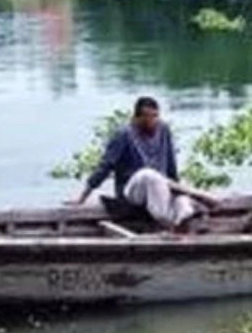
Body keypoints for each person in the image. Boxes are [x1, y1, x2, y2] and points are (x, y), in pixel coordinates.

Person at [69, 96, 219, 233]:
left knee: (182, 201)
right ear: (138, 118)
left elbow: (171, 165)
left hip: (161, 188)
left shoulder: (163, 129)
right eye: (150, 117)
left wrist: (178, 189)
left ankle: (180, 227)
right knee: (148, 174)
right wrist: (82, 197)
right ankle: (171, 220)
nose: (155, 121)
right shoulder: (124, 134)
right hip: (132, 192)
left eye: (156, 116)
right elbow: (105, 166)